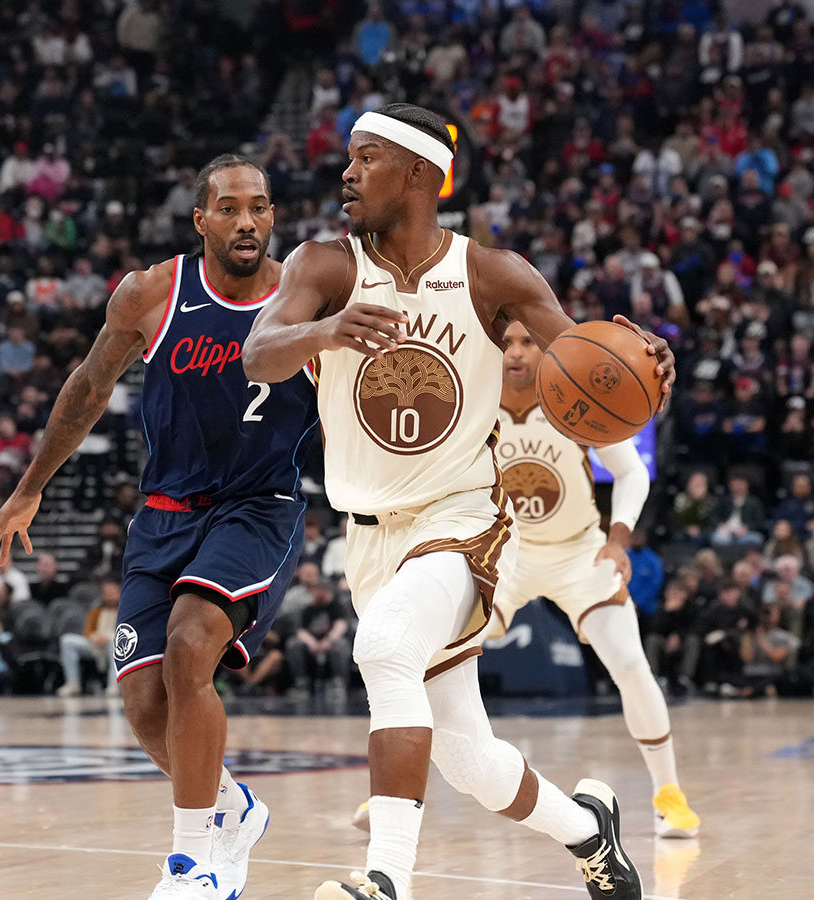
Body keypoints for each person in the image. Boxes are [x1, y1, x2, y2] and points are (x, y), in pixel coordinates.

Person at [245, 103, 673, 900]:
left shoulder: (493, 275)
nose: (346, 172)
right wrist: (328, 331)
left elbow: (588, 358)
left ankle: (387, 880)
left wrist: (642, 367)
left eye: (365, 157)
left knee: (382, 649)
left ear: (418, 173)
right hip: (369, 537)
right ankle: (590, 832)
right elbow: (258, 355)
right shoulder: (324, 268)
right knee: (471, 761)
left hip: (461, 520)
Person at [0, 155, 314, 900]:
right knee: (143, 703)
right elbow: (89, 387)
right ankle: (232, 805)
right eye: (229, 208)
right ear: (201, 221)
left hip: (259, 506)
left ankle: (192, 864)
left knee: (193, 647)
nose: (247, 221)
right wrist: (29, 489)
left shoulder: (304, 296)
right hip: (164, 511)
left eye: (259, 207)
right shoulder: (152, 293)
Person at [355, 320, 698, 838]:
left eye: (527, 342)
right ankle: (397, 785)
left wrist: (619, 537)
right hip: (501, 548)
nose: (515, 352)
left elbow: (632, 471)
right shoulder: (474, 399)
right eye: (506, 343)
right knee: (422, 656)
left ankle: (669, 793)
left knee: (628, 661)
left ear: (549, 349)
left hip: (578, 550)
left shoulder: (574, 399)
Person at [57, 579, 121, 697]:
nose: (111, 597)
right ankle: (73, 683)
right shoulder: (96, 611)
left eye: (113, 593)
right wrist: (94, 637)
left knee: (114, 642)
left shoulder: (124, 610)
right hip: (95, 645)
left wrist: (108, 637)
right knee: (67, 641)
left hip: (115, 644)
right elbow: (88, 631)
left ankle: (114, 684)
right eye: (107, 593)